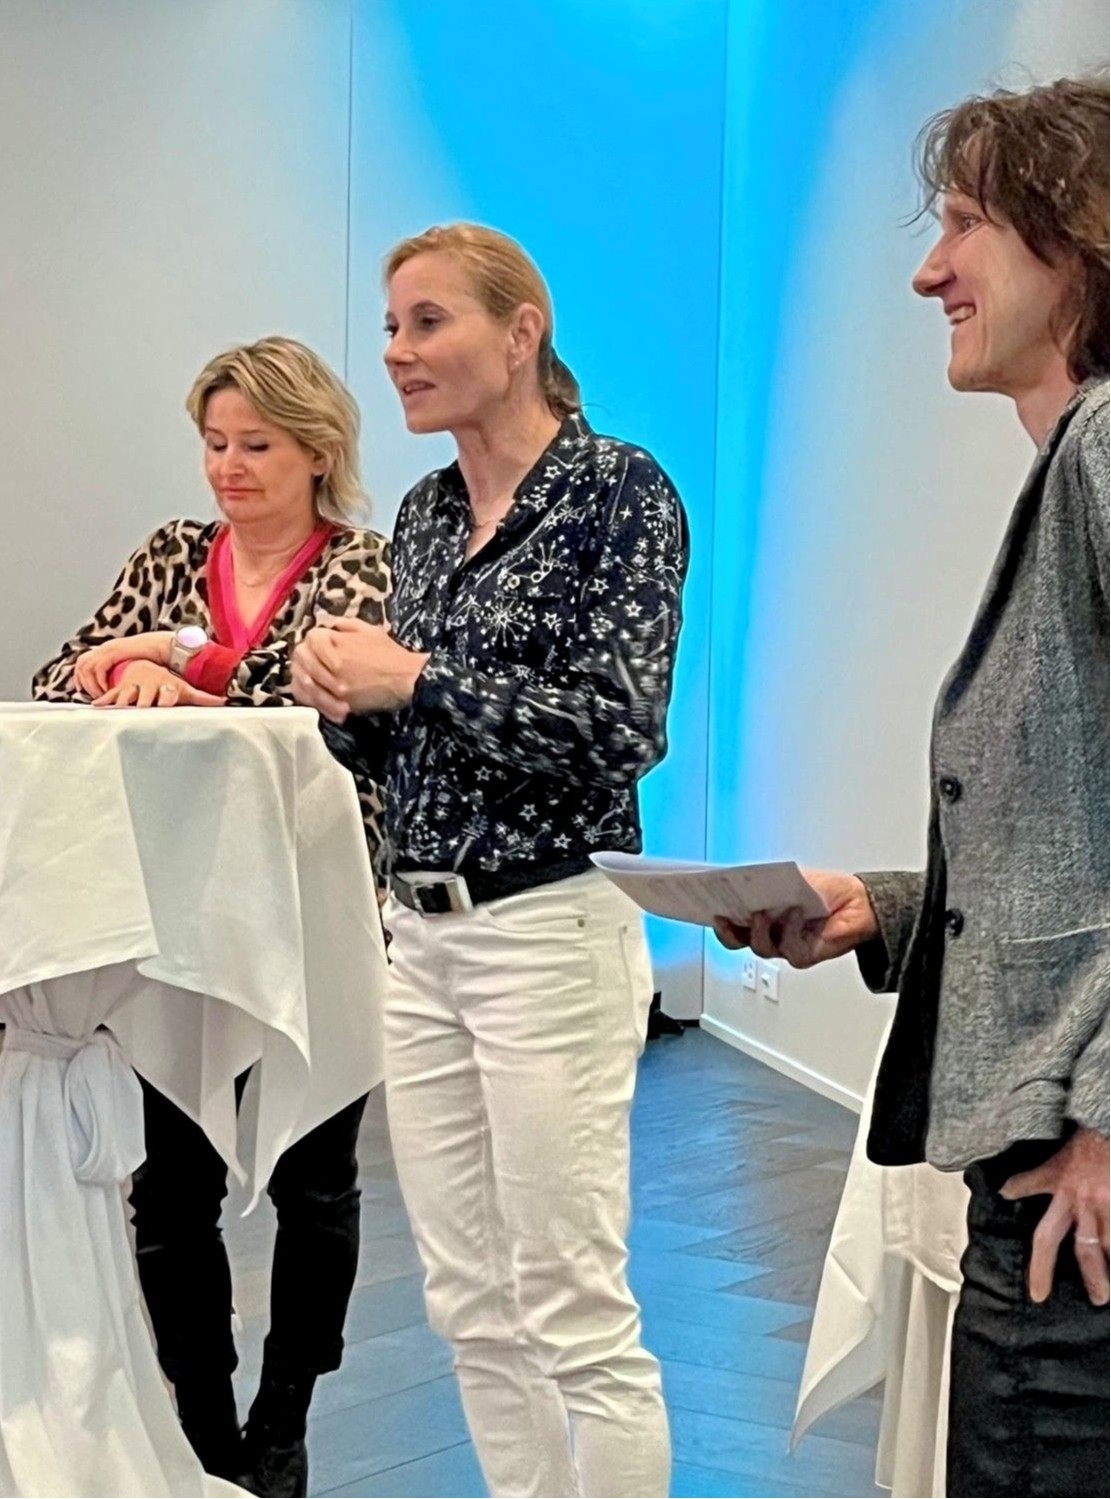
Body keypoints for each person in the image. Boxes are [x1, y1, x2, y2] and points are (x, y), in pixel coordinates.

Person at [715, 76, 1109, 1498]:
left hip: (1071, 1175)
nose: (925, 271)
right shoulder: (1075, 457)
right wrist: (879, 908)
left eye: (962, 225)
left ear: (1077, 239)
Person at [291, 223, 688, 1498]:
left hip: (547, 929)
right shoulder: (420, 514)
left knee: (571, 1299)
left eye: (428, 321)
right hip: (419, 934)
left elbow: (619, 730)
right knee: (465, 1296)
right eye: (391, 326)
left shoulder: (618, 492)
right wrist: (343, 703)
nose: (397, 352)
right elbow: (403, 750)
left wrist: (415, 675)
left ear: (521, 335)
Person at [33, 336, 392, 1497]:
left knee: (313, 1180)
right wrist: (128, 661)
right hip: (174, 911)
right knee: (172, 1183)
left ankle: (283, 1415)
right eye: (215, 442)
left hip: (317, 904)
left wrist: (178, 660)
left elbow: (317, 693)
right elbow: (60, 675)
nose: (229, 466)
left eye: (257, 445)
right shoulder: (170, 553)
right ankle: (199, 1417)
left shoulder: (363, 565)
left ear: (317, 451)